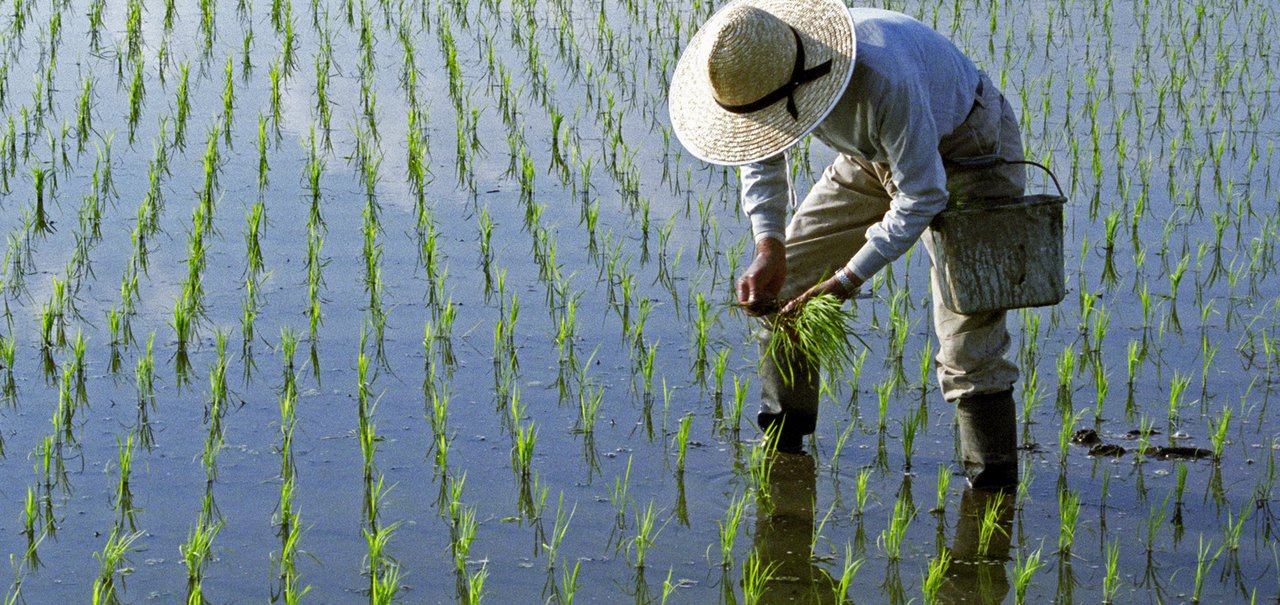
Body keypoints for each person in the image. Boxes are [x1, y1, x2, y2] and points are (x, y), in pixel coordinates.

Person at [668, 0, 1026, 489]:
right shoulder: (760, 75)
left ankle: (991, 493)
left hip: (970, 150)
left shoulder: (882, 75)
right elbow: (760, 151)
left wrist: (845, 281)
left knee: (968, 341)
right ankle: (784, 446)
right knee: (789, 285)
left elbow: (923, 194)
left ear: (799, 85)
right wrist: (769, 245)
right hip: (871, 156)